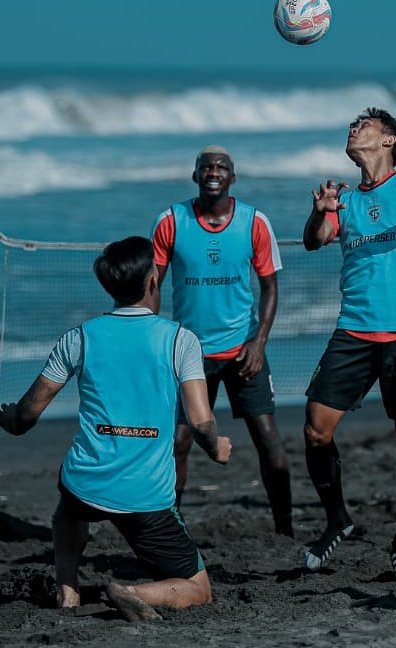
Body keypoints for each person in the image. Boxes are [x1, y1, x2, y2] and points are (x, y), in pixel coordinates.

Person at [0, 236, 232, 622]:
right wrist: (217, 447)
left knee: (68, 507)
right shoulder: (180, 340)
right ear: (153, 280)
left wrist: (9, 420)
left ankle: (68, 590)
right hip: (146, 496)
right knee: (199, 588)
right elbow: (201, 421)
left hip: (85, 486)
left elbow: (25, 417)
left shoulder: (79, 338)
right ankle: (130, 591)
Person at [301, 107, 396, 581]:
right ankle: (337, 519)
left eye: (363, 125)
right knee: (315, 429)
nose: (352, 129)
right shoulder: (344, 199)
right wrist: (319, 211)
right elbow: (314, 240)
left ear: (388, 141)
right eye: (351, 124)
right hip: (354, 327)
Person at [151, 145, 293, 536]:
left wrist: (259, 342)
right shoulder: (170, 220)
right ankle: (171, 530)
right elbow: (152, 287)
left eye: (222, 167)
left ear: (233, 177)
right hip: (189, 356)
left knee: (268, 442)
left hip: (243, 352)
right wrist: (153, 337)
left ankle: (285, 528)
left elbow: (270, 288)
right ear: (195, 176)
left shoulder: (254, 222)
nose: (213, 171)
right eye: (206, 166)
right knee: (178, 444)